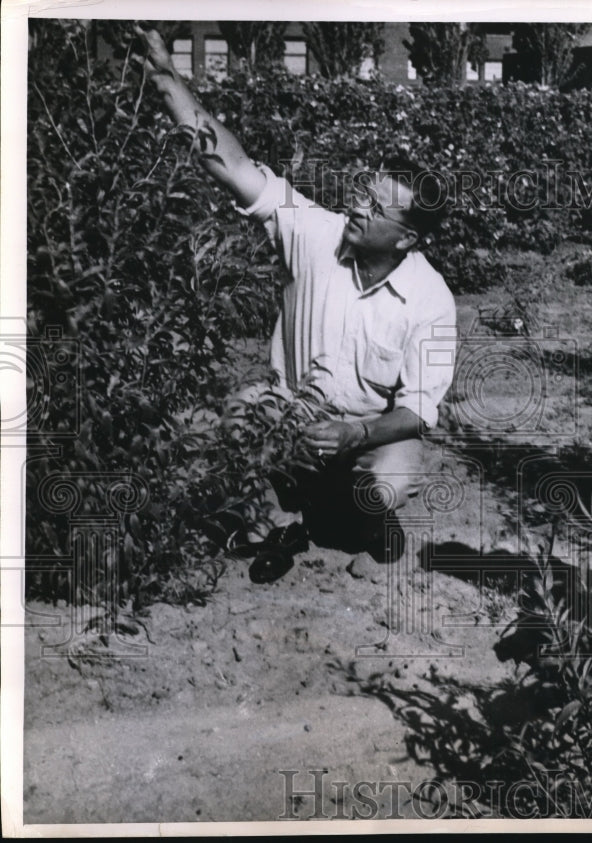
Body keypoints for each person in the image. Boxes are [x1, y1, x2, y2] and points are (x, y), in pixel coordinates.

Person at [137, 27, 457, 580]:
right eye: (363, 191)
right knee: (243, 406)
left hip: (363, 434)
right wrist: (167, 75)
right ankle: (273, 521)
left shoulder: (430, 300)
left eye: (377, 207)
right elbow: (232, 165)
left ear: (406, 239)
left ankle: (355, 518)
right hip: (292, 417)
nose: (358, 205)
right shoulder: (315, 232)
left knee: (392, 480)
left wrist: (356, 434)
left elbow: (418, 409)